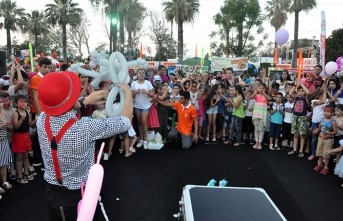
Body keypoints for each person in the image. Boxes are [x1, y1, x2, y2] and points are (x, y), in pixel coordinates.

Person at [36, 72, 132, 221]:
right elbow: (125, 121)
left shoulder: (41, 120)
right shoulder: (85, 127)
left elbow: (56, 109)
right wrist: (127, 93)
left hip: (51, 191)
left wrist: (84, 101)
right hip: (80, 193)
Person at [29, 57, 52, 171]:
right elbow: (34, 97)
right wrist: (40, 114)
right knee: (40, 136)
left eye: (48, 67)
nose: (47, 69)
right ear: (39, 66)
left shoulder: (46, 77)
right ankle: (38, 160)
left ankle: (40, 160)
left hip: (46, 110)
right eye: (45, 67)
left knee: (43, 136)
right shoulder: (35, 78)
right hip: (39, 111)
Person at [12, 95, 36, 184]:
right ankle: (19, 175)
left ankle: (26, 172)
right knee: (19, 158)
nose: (23, 103)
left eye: (25, 101)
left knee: (26, 156)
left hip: (26, 135)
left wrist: (35, 120)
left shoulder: (27, 111)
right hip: (18, 137)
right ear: (16, 104)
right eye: (21, 101)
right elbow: (16, 126)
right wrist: (22, 119)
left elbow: (29, 124)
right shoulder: (15, 113)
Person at [131, 69, 155, 149]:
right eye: (140, 73)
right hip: (137, 105)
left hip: (146, 105)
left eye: (143, 73)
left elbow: (152, 95)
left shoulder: (148, 83)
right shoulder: (133, 83)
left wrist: (147, 93)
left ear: (145, 75)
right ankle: (141, 139)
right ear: (137, 74)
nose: (141, 74)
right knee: (139, 122)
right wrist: (135, 93)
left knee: (144, 122)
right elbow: (131, 95)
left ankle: (145, 140)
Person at [288, 80, 310, 157]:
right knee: (295, 134)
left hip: (302, 117)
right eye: (299, 91)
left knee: (302, 135)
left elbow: (308, 92)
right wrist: (295, 86)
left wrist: (302, 85)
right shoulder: (296, 98)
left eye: (302, 91)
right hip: (295, 116)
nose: (300, 92)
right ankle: (294, 149)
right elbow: (290, 93)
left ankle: (301, 150)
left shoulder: (306, 99)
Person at [313, 105, 337, 175]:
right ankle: (320, 164)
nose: (325, 113)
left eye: (328, 111)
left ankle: (326, 167)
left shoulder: (333, 121)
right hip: (320, 138)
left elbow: (335, 131)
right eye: (324, 111)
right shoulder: (322, 119)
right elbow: (319, 128)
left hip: (328, 139)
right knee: (319, 152)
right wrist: (317, 130)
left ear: (332, 113)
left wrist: (328, 133)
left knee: (326, 154)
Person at [251, 83, 270, 149]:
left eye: (263, 88)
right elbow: (251, 97)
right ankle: (256, 142)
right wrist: (255, 92)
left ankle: (260, 143)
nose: (261, 89)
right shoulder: (256, 95)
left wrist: (264, 93)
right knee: (256, 129)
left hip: (262, 116)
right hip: (256, 115)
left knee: (261, 130)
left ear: (265, 89)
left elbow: (268, 98)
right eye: (260, 88)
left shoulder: (265, 96)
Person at [0, 98, 13, 193]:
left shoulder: (5, 114)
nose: (0, 104)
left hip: (4, 141)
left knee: (4, 163)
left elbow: (11, 128)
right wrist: (3, 124)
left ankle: (4, 181)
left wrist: (9, 126)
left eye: (0, 102)